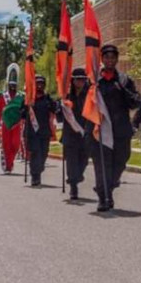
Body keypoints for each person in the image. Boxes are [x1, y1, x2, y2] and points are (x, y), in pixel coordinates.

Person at [86, 44, 141, 212]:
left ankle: (108, 186)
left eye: (113, 57)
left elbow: (135, 101)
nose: (110, 60)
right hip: (100, 130)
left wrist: (122, 89)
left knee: (121, 161)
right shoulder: (94, 81)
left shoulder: (125, 80)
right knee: (102, 164)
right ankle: (103, 198)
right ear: (102, 59)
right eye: (106, 57)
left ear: (116, 59)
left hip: (120, 129)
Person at [59, 68, 90, 199]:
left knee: (83, 161)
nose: (80, 82)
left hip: (85, 133)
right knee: (71, 162)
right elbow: (60, 117)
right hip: (70, 135)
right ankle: (73, 187)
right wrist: (59, 107)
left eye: (83, 79)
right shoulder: (66, 95)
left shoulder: (90, 95)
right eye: (78, 79)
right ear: (73, 80)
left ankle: (77, 177)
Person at [22, 75, 57, 187]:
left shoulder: (47, 98)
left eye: (41, 83)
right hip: (32, 132)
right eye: (37, 83)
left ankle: (38, 171)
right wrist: (27, 107)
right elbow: (22, 114)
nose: (40, 85)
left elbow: (54, 109)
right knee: (35, 153)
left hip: (44, 131)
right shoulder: (28, 99)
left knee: (43, 154)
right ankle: (35, 176)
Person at [0, 65, 24, 174]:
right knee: (6, 145)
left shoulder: (20, 96)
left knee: (16, 144)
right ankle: (8, 165)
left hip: (17, 124)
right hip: (5, 124)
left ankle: (10, 161)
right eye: (11, 85)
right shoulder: (2, 96)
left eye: (14, 85)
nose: (13, 87)